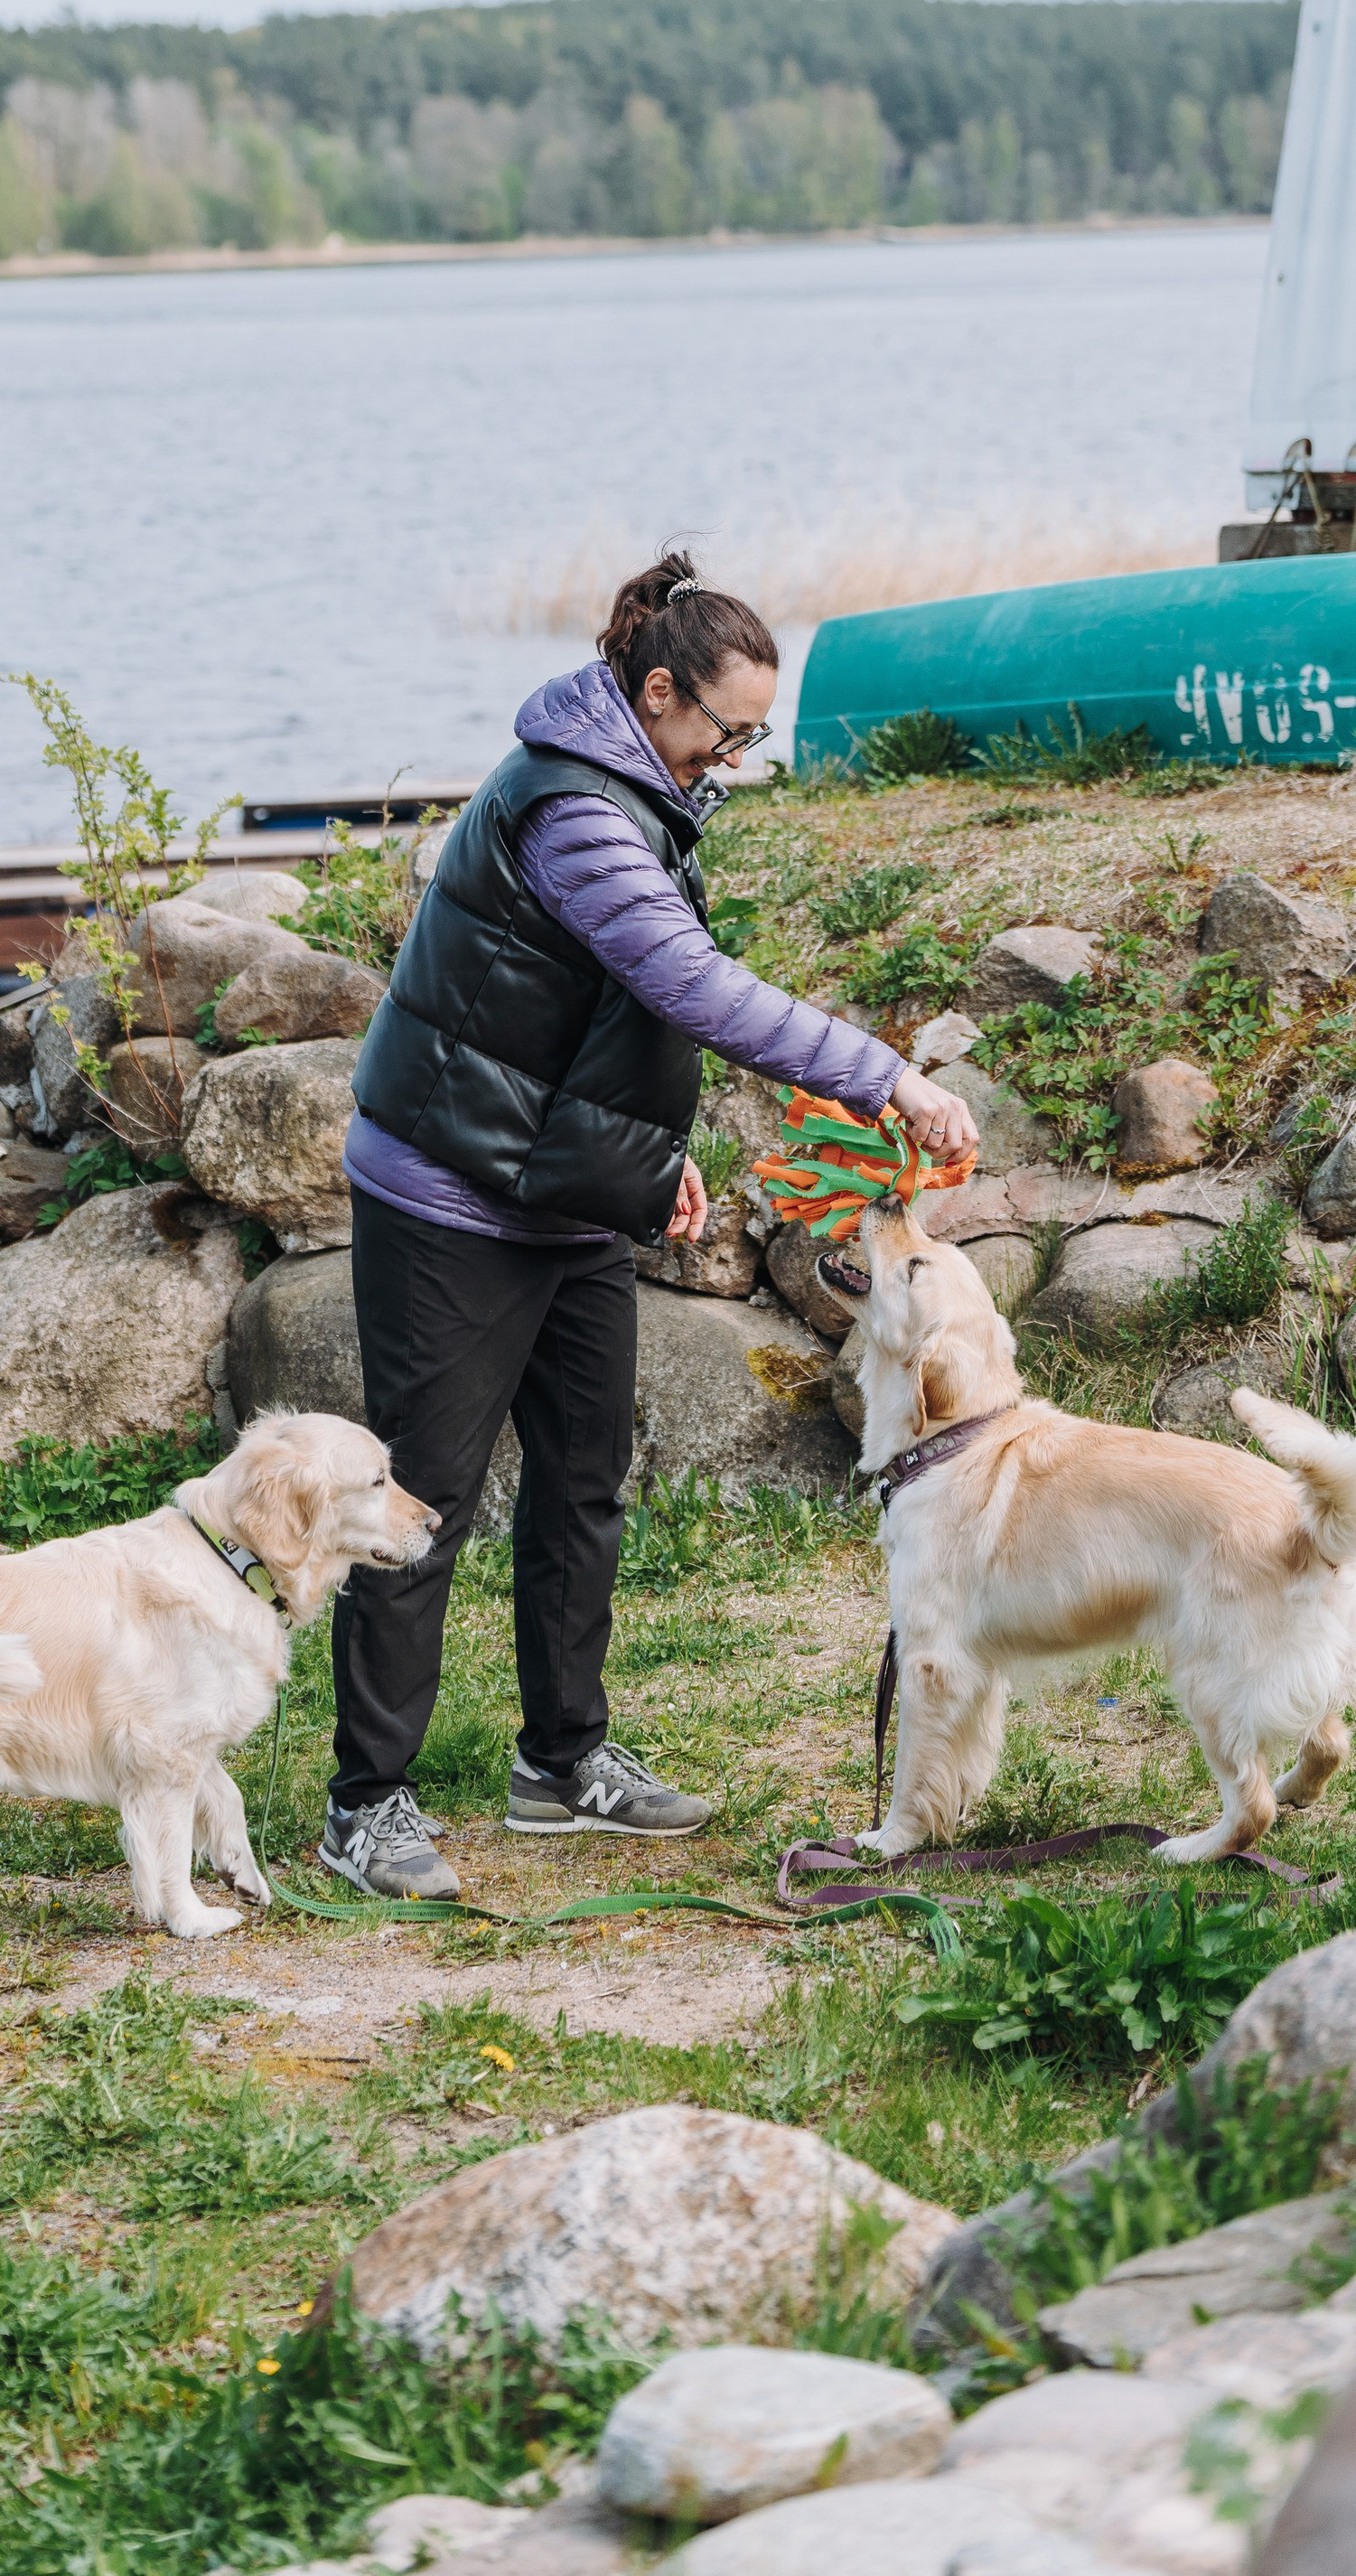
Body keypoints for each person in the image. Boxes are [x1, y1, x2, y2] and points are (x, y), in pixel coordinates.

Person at [318, 549, 980, 1899]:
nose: (734, 758)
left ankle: (564, 1761)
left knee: (584, 1480)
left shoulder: (644, 780)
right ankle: (365, 1802)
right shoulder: (576, 807)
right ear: (658, 689)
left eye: (752, 737)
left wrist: (645, 1164)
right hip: (449, 1190)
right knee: (419, 1501)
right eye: (724, 730)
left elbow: (593, 1017)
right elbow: (689, 983)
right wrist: (889, 1075)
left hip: (557, 1191)